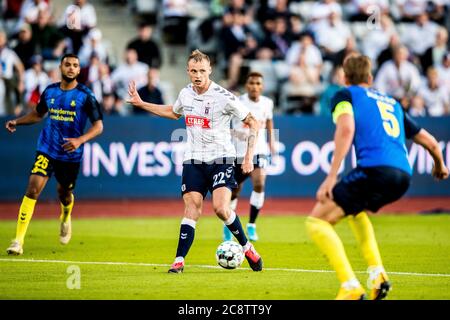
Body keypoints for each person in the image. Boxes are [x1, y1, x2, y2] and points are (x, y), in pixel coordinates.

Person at [305, 55, 449, 300]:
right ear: (370, 78)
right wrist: (440, 165)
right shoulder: (392, 103)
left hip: (375, 170)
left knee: (317, 222)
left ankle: (350, 286)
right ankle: (377, 275)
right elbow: (431, 143)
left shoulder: (345, 94)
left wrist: (331, 177)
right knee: (355, 210)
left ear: (345, 77)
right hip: (403, 176)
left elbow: (346, 128)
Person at [127, 49, 263, 273]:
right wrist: (141, 104)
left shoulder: (223, 96)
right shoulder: (186, 93)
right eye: (193, 71)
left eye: (202, 70)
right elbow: (173, 112)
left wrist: (248, 157)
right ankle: (178, 260)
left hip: (221, 158)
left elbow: (253, 122)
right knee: (192, 209)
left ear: (209, 70)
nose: (198, 75)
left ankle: (247, 248)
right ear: (188, 72)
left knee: (221, 208)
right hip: (193, 160)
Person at [5, 53, 104, 255]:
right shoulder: (49, 91)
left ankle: (65, 215)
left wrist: (80, 140)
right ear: (61, 67)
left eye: (75, 65)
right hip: (47, 148)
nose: (71, 68)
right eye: (67, 64)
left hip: (70, 154)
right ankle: (18, 241)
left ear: (78, 70)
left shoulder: (86, 96)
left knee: (64, 194)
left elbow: (98, 126)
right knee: (33, 188)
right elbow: (38, 114)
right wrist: (18, 121)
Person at [223, 72, 275, 242]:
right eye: (251, 82)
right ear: (246, 85)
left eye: (258, 83)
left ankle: (251, 225)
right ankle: (228, 224)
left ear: (262, 86)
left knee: (259, 182)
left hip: (258, 150)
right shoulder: (238, 102)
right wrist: (234, 133)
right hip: (238, 152)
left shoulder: (268, 103)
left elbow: (268, 122)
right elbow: (225, 122)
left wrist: (272, 142)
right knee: (234, 190)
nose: (254, 86)